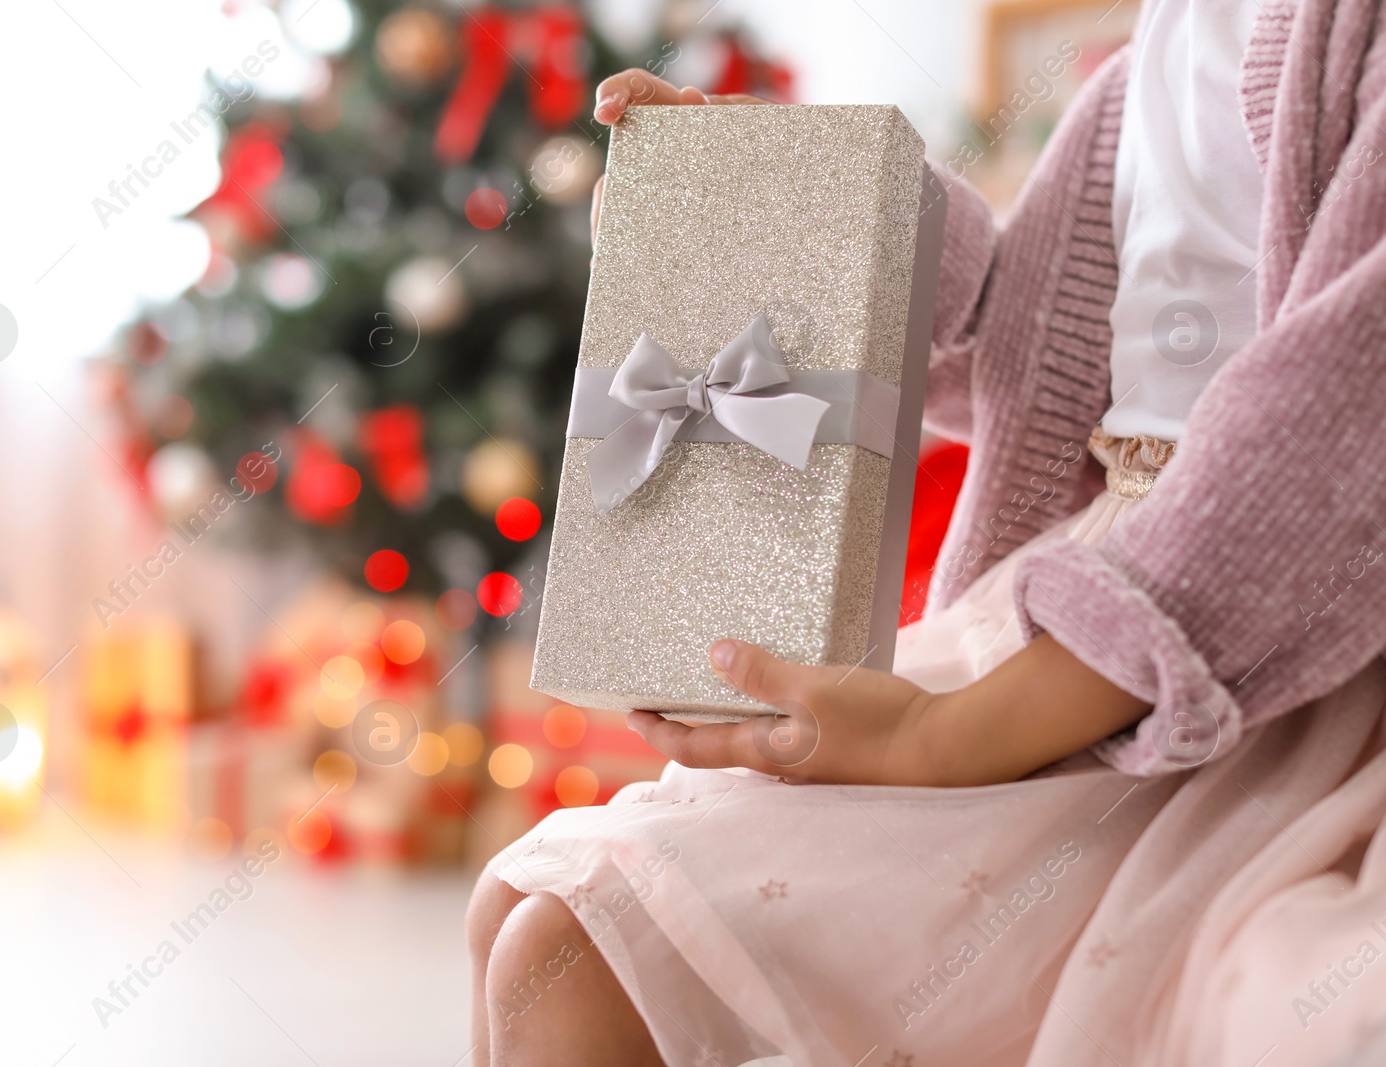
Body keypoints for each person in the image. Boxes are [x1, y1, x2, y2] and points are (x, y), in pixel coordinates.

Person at [468, 0, 1386, 1063]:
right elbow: (1028, 347)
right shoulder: (1153, 56)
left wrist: (945, 736)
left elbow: (1337, 427)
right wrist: (789, 203)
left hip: (1257, 655)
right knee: (536, 915)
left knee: (580, 948)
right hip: (1091, 594)